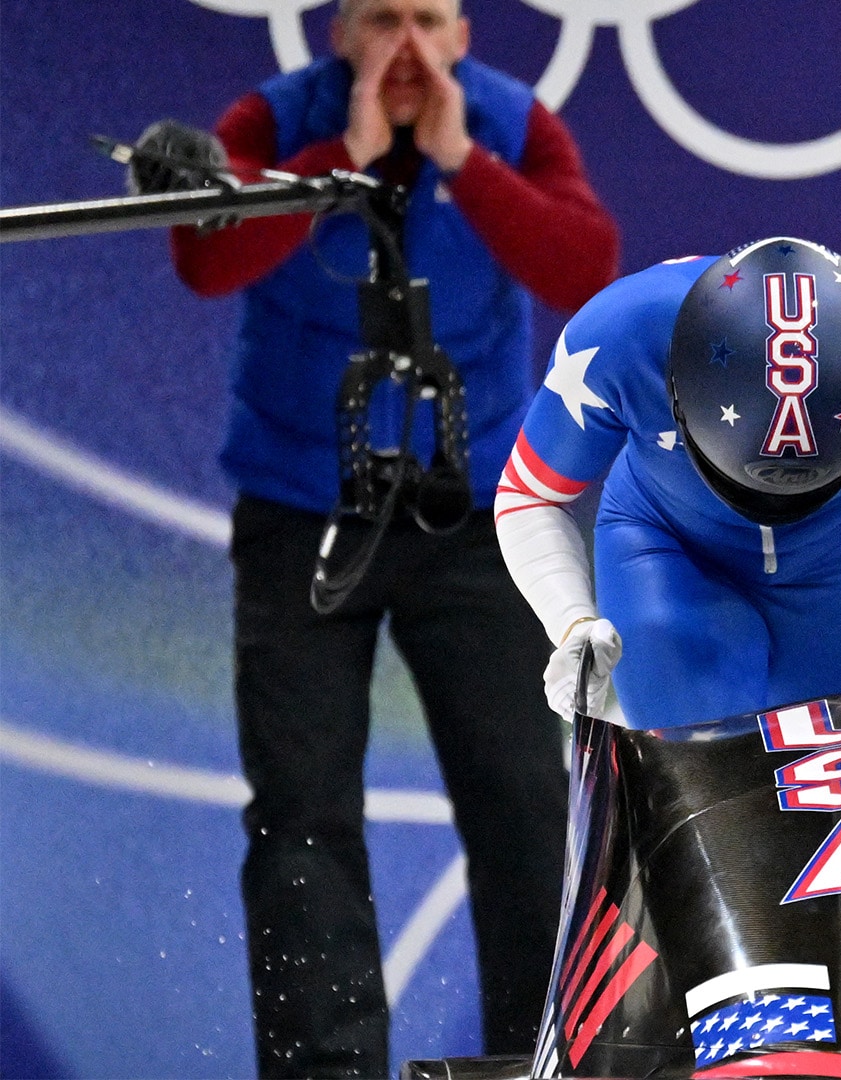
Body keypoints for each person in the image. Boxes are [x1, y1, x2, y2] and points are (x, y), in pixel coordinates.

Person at [167, 0, 619, 1074]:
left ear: (462, 35)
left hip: (471, 519)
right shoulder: (271, 124)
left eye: (427, 18)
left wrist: (465, 162)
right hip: (301, 515)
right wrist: (342, 159)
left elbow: (585, 267)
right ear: (339, 34)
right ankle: (325, 1069)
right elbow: (206, 260)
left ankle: (543, 1058)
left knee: (524, 804)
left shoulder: (513, 125)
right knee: (301, 812)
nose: (406, 45)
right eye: (381, 19)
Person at [494, 237, 841, 729]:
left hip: (838, 553)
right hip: (669, 546)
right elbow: (530, 495)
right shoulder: (620, 337)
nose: (772, 500)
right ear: (678, 393)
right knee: (703, 761)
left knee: (836, 768)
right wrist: (570, 620)